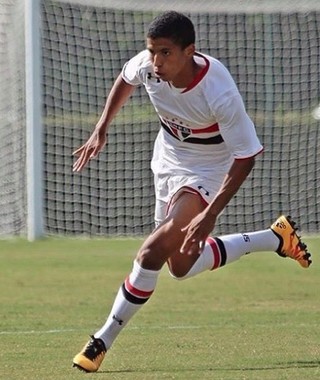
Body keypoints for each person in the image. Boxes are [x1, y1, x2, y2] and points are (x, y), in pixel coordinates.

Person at [72, 11, 312, 373]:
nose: (156, 61)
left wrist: (209, 213)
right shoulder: (149, 65)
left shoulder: (219, 91)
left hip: (209, 170)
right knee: (180, 266)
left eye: (166, 53)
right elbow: (125, 78)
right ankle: (274, 238)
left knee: (151, 252)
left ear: (190, 52)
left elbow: (246, 157)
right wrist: (101, 127)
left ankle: (100, 341)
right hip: (166, 161)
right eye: (152, 51)